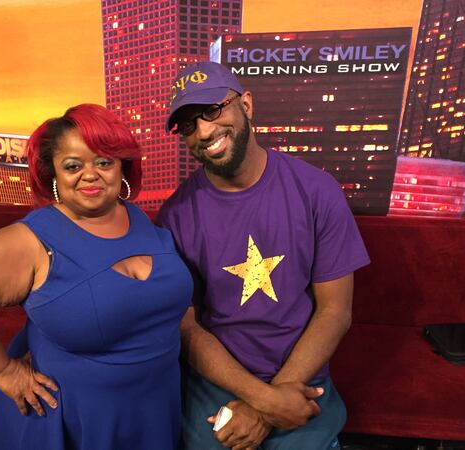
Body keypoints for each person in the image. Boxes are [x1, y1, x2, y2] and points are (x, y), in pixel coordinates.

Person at [0, 104, 192, 450]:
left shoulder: (139, 218)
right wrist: (4, 372)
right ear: (53, 174)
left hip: (154, 409)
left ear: (122, 167)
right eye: (73, 165)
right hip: (75, 420)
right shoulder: (30, 240)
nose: (91, 174)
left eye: (104, 162)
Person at [158, 61, 371, 450]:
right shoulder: (176, 215)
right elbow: (186, 327)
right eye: (188, 125)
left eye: (212, 110)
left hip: (301, 377)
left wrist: (268, 403)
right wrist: (262, 400)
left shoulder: (317, 190)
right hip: (218, 381)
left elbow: (335, 312)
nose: (204, 131)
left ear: (247, 105)